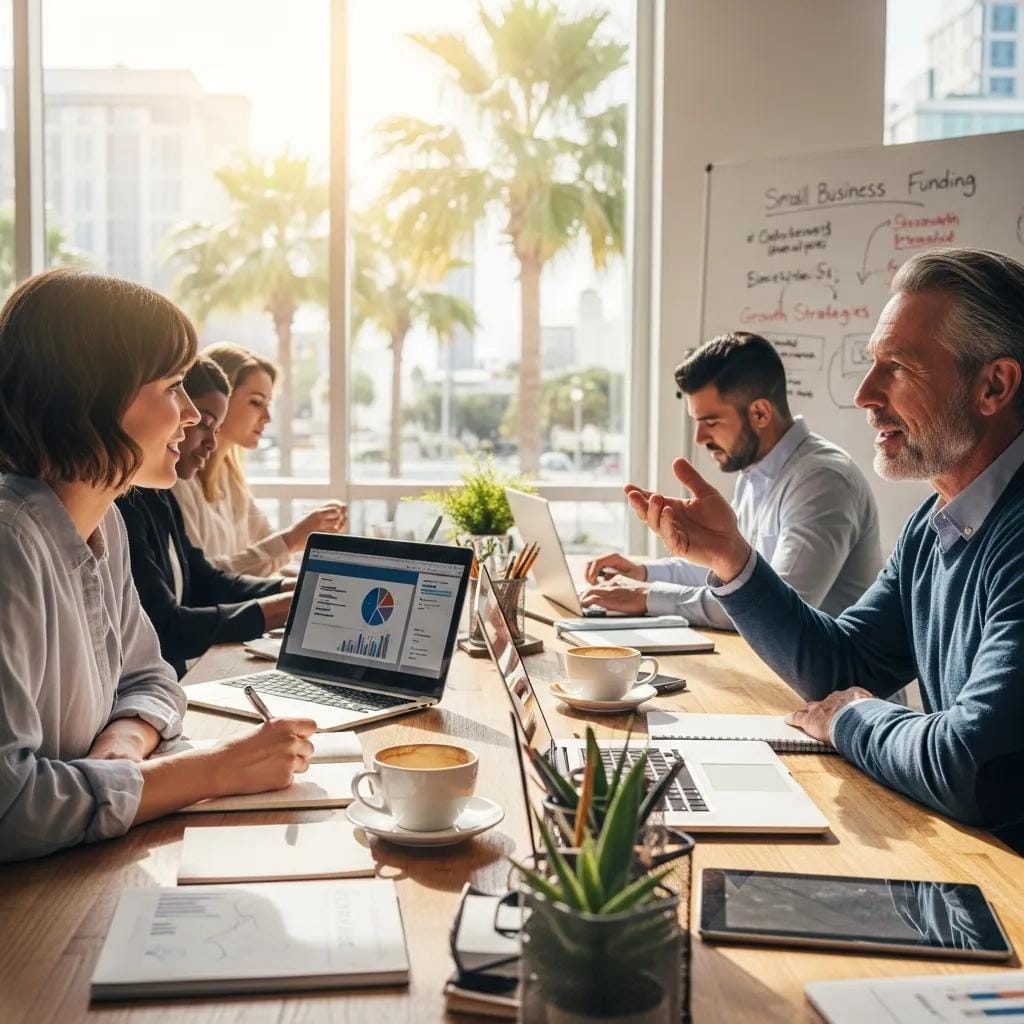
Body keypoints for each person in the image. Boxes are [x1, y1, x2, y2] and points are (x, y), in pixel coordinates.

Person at [625, 248, 1024, 853]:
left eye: (899, 368)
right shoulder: (935, 523)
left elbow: (972, 765)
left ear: (993, 385)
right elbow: (843, 666)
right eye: (872, 365)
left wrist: (848, 720)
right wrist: (733, 561)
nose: (864, 394)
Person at [0, 269, 315, 863]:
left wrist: (123, 744)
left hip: (79, 862)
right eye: (172, 387)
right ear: (94, 394)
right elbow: (11, 806)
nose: (193, 416)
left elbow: (150, 677)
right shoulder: (10, 544)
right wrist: (217, 770)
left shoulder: (106, 522)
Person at [583, 332, 881, 628]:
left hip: (834, 675)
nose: (700, 438)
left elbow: (776, 609)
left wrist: (648, 598)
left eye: (710, 422)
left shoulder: (822, 481)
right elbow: (730, 571)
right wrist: (642, 573)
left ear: (760, 413)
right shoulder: (756, 474)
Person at [117, 357, 294, 679]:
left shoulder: (157, 495)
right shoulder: (122, 508)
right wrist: (283, 607)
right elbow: (166, 628)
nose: (211, 443)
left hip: (165, 688)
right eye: (200, 424)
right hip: (159, 687)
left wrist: (288, 590)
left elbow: (203, 579)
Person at [173, 342, 347, 576]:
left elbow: (272, 559)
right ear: (223, 396)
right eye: (256, 402)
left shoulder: (230, 478)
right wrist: (293, 539)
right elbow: (203, 579)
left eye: (267, 404)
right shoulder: (177, 480)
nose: (267, 417)